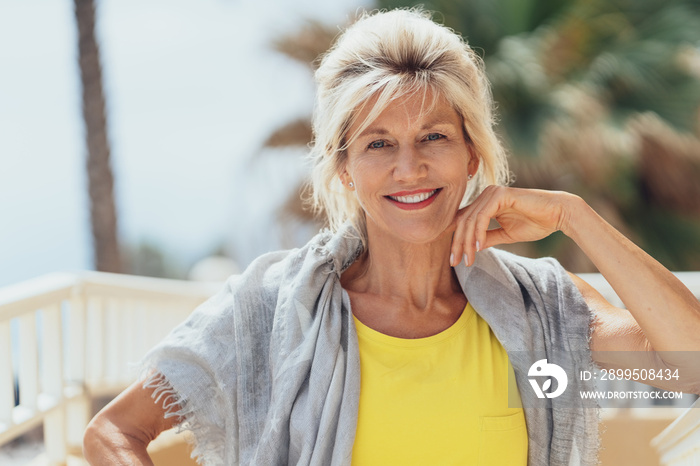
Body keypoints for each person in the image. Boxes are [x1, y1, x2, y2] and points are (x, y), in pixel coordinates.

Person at [82, 8, 700, 466]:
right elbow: (112, 432)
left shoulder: (544, 307)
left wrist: (574, 216)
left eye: (434, 136)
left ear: (471, 155)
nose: (410, 168)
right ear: (346, 170)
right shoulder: (271, 311)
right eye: (379, 144)